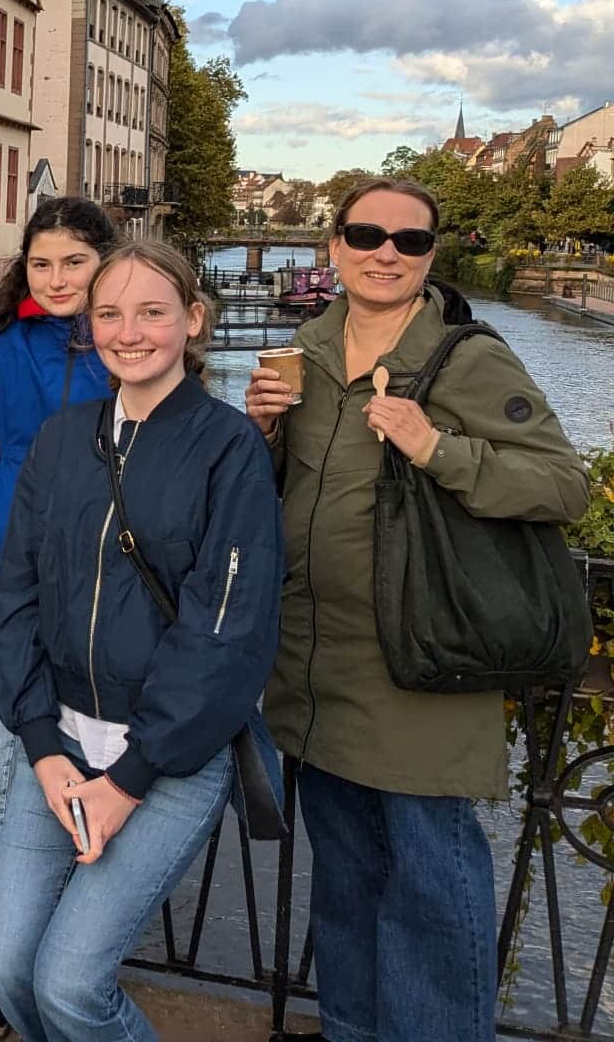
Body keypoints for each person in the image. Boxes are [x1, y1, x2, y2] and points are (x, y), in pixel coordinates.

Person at [248, 178, 589, 1042]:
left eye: (408, 241)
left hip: (424, 663)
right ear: (334, 248)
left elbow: (562, 484)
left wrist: (438, 448)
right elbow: (293, 499)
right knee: (349, 885)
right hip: (316, 666)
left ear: (431, 256)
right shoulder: (309, 351)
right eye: (365, 235)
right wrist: (263, 432)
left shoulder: (467, 357)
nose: (384, 253)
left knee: (432, 893)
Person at [0, 242, 284, 1042]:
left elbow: (227, 627)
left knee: (72, 984)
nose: (130, 331)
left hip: (165, 755)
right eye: (110, 313)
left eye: (153, 312)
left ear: (193, 320)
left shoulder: (228, 447)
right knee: (8, 966)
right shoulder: (63, 438)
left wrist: (130, 777)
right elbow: (19, 591)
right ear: (89, 327)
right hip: (59, 743)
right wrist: (40, 740)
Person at [0, 196, 117, 1037]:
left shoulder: (128, 344)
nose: (56, 279)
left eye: (74, 263)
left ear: (103, 265)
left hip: (93, 596)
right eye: (43, 262)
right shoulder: (3, 344)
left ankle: (65, 961)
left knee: (82, 780)